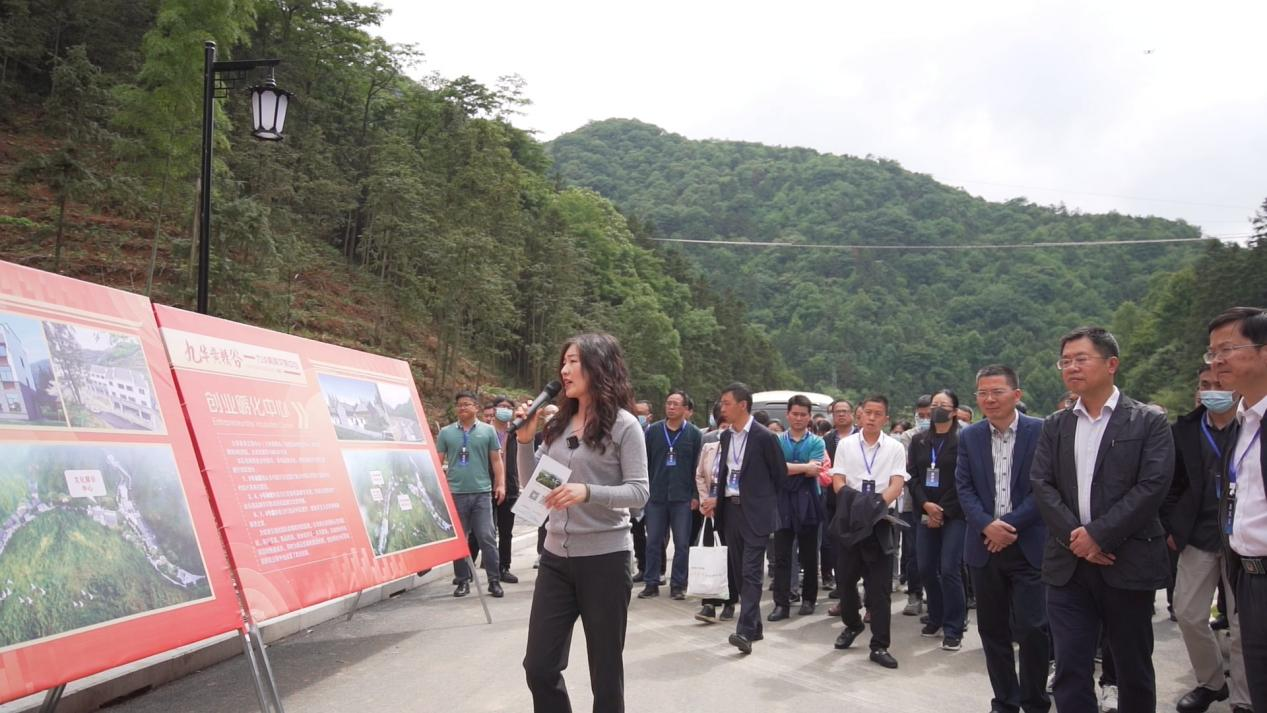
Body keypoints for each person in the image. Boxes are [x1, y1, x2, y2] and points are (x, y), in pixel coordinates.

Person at [1031, 326, 1174, 713]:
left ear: (1112, 364)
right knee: (1070, 668)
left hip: (1126, 561)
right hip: (1068, 566)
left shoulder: (1148, 422)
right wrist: (1076, 538)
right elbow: (1041, 483)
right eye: (1065, 361)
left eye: (1081, 359)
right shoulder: (1056, 424)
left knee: (1132, 668)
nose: (1071, 367)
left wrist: (1099, 535)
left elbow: (1152, 486)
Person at [514, 332, 649, 713]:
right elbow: (534, 487)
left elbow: (639, 492)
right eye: (564, 362)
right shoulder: (558, 425)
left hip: (605, 560)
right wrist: (524, 442)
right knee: (539, 667)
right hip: (555, 560)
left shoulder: (624, 426)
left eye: (574, 361)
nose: (565, 369)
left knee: (605, 674)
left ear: (599, 367)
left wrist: (587, 492)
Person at [956, 365, 1050, 713]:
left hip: (1028, 546)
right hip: (984, 547)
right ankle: (1005, 701)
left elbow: (1044, 488)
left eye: (997, 391)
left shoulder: (1041, 430)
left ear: (1016, 394)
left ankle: (1035, 701)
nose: (989, 399)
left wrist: (1005, 527)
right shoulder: (969, 436)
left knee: (1033, 629)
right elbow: (964, 488)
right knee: (992, 630)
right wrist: (987, 526)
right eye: (982, 393)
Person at [1164, 365, 1249, 713]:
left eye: (1220, 383)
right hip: (1198, 534)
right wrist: (1172, 526)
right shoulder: (1184, 430)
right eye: (1205, 384)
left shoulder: (1252, 425)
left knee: (1243, 623)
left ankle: (1244, 697)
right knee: (1188, 612)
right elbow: (1170, 484)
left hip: (1243, 539)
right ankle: (1212, 682)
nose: (1212, 390)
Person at [1208, 306, 1267, 713]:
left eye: (1227, 349)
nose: (1217, 361)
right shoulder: (1241, 423)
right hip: (1247, 577)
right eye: (1212, 353)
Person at [700, 382, 787, 655]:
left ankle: (745, 631)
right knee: (738, 572)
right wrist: (716, 500)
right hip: (730, 511)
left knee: (751, 572)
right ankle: (755, 626)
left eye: (726, 403)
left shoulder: (764, 437)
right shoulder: (726, 437)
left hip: (756, 514)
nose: (722, 407)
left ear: (743, 405)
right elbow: (724, 474)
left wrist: (764, 504)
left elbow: (779, 476)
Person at [830, 394, 909, 669]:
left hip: (880, 522)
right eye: (868, 412)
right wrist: (857, 504)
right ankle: (852, 624)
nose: (872, 418)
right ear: (860, 414)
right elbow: (838, 481)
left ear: (886, 418)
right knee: (845, 580)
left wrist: (875, 506)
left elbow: (896, 484)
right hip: (850, 520)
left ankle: (880, 645)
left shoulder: (895, 447)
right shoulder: (846, 445)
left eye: (878, 414)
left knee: (879, 588)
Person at [908, 389, 967, 651]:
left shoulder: (964, 439)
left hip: (954, 513)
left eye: (943, 405)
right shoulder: (919, 440)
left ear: (954, 411)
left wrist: (941, 510)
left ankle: (954, 626)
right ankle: (936, 616)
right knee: (926, 567)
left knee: (950, 568)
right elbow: (913, 476)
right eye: (934, 405)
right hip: (925, 509)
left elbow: (965, 478)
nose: (937, 409)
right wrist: (926, 505)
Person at [437, 390, 507, 598]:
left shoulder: (488, 431)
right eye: (459, 404)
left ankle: (494, 581)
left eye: (467, 404)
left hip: (481, 493)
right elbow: (437, 461)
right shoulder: (446, 433)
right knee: (460, 540)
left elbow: (496, 460)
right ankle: (462, 580)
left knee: (487, 536)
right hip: (455, 493)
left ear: (476, 407)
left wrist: (500, 484)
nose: (462, 407)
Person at [640, 390, 703, 600]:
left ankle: (678, 584)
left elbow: (697, 468)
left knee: (682, 543)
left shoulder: (694, 434)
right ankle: (651, 582)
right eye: (669, 403)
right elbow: (645, 463)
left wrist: (696, 495)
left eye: (676, 404)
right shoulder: (653, 431)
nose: (671, 407)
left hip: (682, 497)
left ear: (685, 408)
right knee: (653, 541)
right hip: (656, 496)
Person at [769, 394, 827, 620]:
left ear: (809, 416)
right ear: (788, 415)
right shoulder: (776, 440)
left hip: (809, 500)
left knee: (809, 554)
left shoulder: (817, 442)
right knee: (782, 555)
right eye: (795, 414)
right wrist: (803, 468)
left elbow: (816, 470)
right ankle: (781, 603)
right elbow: (776, 469)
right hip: (782, 501)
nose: (799, 418)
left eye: (803, 414)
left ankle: (809, 599)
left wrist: (789, 468)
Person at [694, 402, 737, 624]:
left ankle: (730, 601)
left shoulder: (739, 451)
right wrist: (705, 501)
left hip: (731, 508)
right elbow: (700, 475)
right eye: (722, 425)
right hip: (710, 510)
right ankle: (709, 603)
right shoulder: (709, 447)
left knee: (729, 554)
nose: (725, 430)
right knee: (711, 553)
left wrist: (718, 501)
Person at [489, 396, 522, 584]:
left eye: (509, 407)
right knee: (481, 532)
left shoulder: (516, 433)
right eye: (501, 406)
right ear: (494, 409)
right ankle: (466, 572)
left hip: (510, 488)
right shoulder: (484, 432)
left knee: (506, 531)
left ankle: (504, 567)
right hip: (486, 487)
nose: (505, 409)